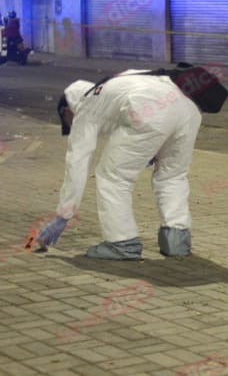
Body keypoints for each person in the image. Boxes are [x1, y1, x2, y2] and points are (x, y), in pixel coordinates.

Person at [35, 70, 203, 260]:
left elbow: (77, 162)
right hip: (188, 110)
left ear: (67, 110)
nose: (71, 126)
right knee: (172, 176)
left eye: (68, 122)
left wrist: (63, 214)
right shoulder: (116, 84)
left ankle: (122, 243)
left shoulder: (86, 104)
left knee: (112, 177)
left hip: (148, 107)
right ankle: (176, 241)